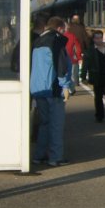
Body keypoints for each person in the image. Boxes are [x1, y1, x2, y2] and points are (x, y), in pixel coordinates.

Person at [30, 16, 72, 167]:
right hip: (53, 89)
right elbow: (61, 66)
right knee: (56, 125)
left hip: (38, 88)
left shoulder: (37, 41)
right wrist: (65, 86)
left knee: (44, 124)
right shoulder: (57, 41)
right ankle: (55, 157)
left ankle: (39, 155)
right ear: (59, 28)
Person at [63, 15, 86, 96]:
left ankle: (68, 88)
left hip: (61, 59)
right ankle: (72, 88)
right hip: (71, 58)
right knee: (71, 74)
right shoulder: (72, 36)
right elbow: (77, 47)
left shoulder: (58, 36)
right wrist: (79, 57)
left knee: (64, 74)